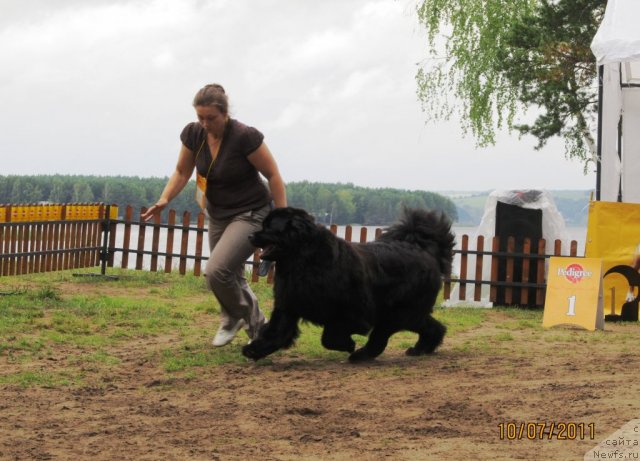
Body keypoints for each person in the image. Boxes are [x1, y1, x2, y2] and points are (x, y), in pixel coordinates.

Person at [142, 83, 287, 346]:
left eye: (211, 118)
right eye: (200, 117)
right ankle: (261, 334)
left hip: (251, 212)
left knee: (216, 271)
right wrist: (164, 199)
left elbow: (273, 175)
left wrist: (282, 218)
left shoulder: (244, 136)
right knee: (230, 275)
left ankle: (236, 317)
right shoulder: (194, 134)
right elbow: (182, 171)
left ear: (225, 113)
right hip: (218, 213)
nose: (205, 124)